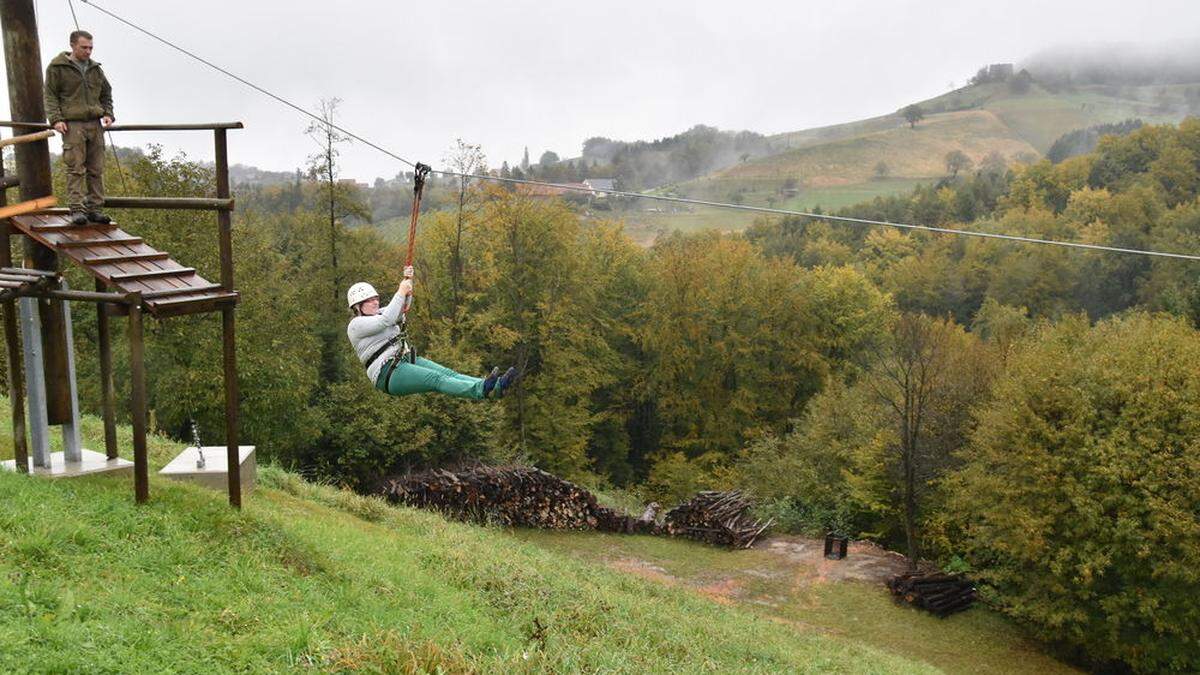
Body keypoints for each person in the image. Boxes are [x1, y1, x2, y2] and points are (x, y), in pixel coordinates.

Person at [347, 266, 518, 399]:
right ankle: (482, 390)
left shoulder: (381, 313)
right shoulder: (356, 326)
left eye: (376, 298)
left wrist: (408, 283)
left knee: (448, 374)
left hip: (404, 360)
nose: (375, 302)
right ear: (357, 307)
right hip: (388, 374)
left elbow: (402, 308)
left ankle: (494, 387)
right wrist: (401, 290)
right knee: (437, 380)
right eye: (369, 301)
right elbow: (387, 320)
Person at [44, 30, 114, 226]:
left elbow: (106, 93)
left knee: (96, 168)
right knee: (75, 167)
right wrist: (56, 119)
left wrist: (108, 113)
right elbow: (50, 95)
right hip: (72, 123)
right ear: (73, 45)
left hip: (95, 123)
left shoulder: (95, 69)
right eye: (84, 47)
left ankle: (95, 209)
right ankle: (77, 209)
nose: (89, 51)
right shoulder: (57, 67)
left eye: (91, 47)